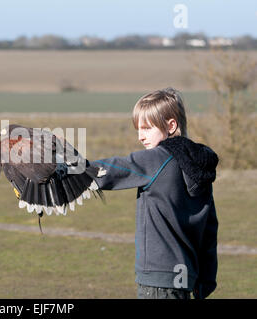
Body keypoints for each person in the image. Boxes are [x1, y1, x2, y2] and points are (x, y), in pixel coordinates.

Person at [91, 88, 219, 299]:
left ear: (171, 125)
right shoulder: (200, 167)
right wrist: (206, 280)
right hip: (186, 279)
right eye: (138, 129)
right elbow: (209, 229)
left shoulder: (157, 158)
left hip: (157, 280)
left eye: (147, 128)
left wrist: (68, 170)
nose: (141, 137)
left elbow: (113, 170)